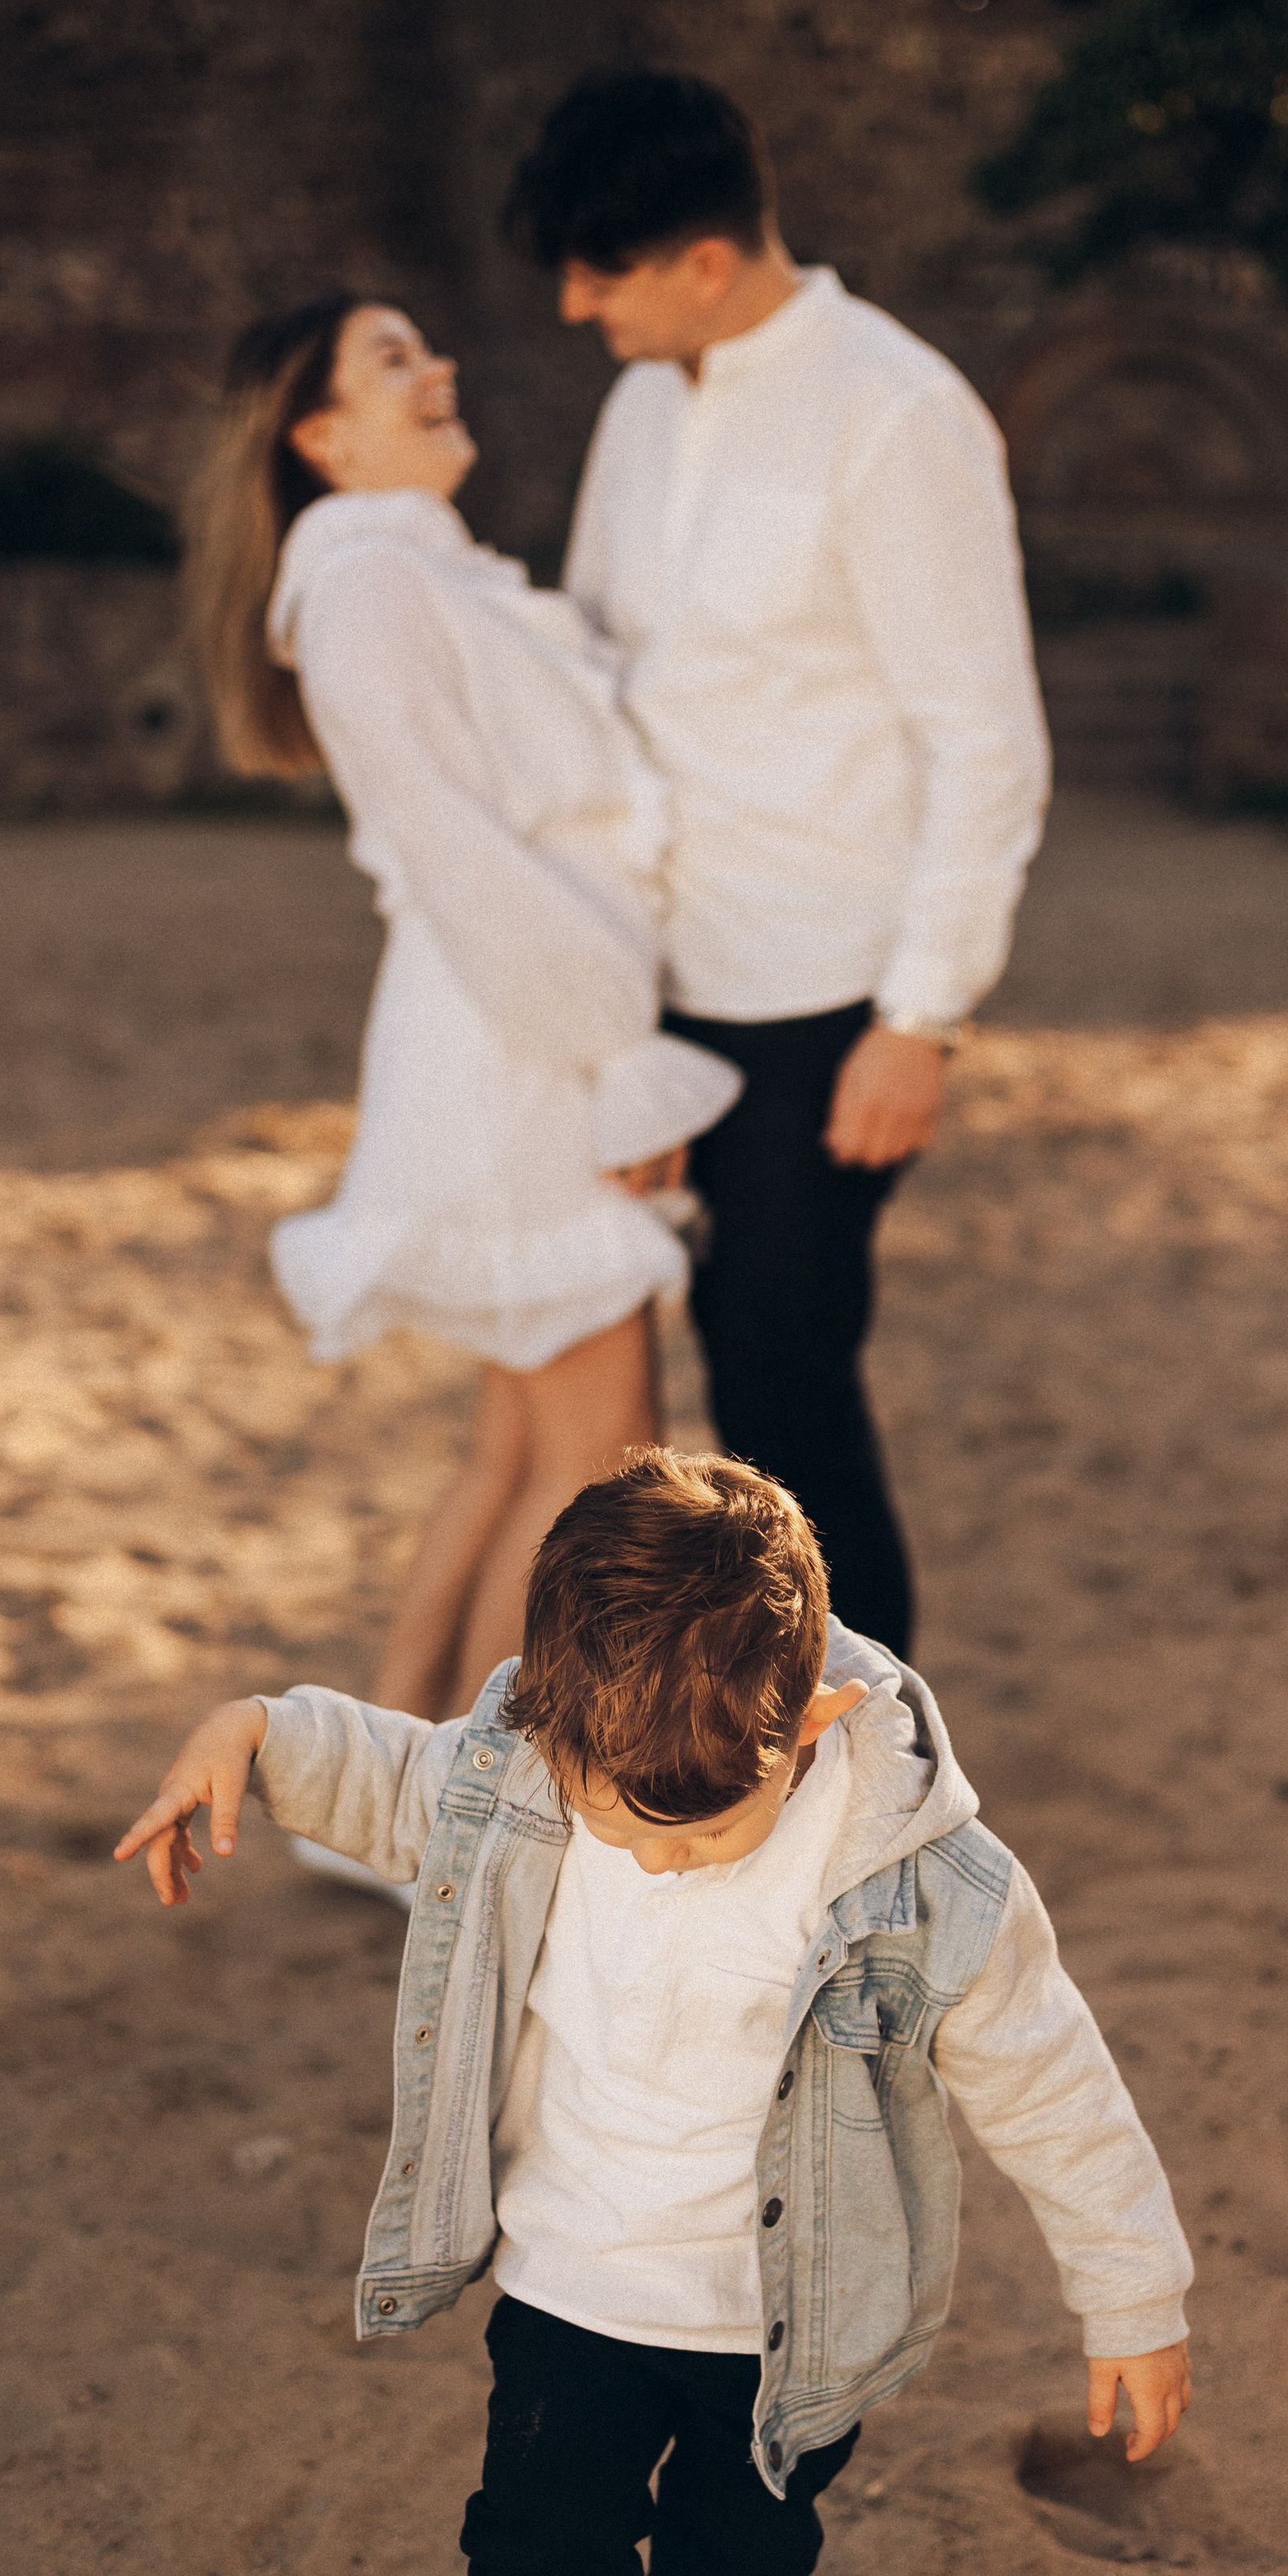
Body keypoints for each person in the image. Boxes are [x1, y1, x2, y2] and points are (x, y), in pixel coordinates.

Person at [115, 1449, 1192, 2576]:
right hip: (574, 2286)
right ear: (553, 1724)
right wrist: (255, 1731)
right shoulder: (546, 1768)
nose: (658, 1857)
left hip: (785, 2334)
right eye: (622, 1821)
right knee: (534, 2568)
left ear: (811, 1722)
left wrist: (1134, 2294)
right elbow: (406, 1778)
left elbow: (1048, 2075)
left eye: (701, 1835)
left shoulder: (921, 1881)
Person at [503, 73, 1052, 1660]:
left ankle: (874, 1756)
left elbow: (985, 739)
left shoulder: (897, 412)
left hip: (828, 998)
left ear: (705, 260)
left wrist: (921, 1018)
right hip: (652, 983)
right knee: (673, 1386)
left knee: (781, 1377)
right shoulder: (639, 403)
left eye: (600, 272)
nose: (573, 305)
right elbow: (599, 675)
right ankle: (738, 1732)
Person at [183, 296, 742, 1722]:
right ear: (321, 435)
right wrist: (618, 1057)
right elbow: (456, 850)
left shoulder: (419, 572)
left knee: (514, 1449)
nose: (438, 368)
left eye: (427, 347)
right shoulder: (365, 586)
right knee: (602, 1462)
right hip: (524, 1035)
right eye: (393, 360)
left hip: (526, 1014)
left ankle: (408, 1797)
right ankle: (485, 1801)